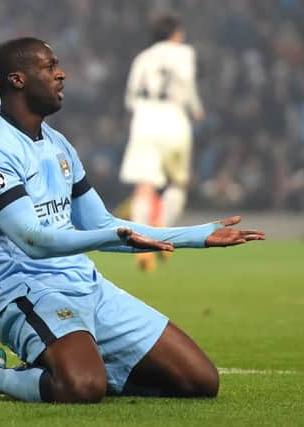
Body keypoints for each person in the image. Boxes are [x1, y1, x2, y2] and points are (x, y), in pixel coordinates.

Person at [0, 37, 264, 403]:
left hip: (87, 286)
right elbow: (32, 239)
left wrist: (198, 236)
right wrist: (110, 236)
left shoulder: (58, 145)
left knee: (200, 381)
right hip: (26, 291)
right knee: (82, 388)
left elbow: (101, 221)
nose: (61, 74)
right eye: (49, 67)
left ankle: (75, 364)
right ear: (17, 79)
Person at [119, 14, 205, 272]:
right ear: (175, 34)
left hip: (144, 120)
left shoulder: (142, 58)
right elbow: (187, 83)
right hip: (173, 120)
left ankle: (141, 244)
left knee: (144, 187)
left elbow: (130, 100)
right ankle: (161, 233)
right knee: (177, 183)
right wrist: (196, 108)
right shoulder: (183, 52)